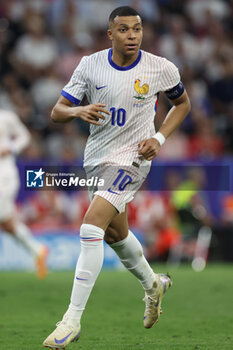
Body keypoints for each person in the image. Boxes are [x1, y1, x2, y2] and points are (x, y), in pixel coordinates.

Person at [43, 6, 191, 349]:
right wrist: (79, 109)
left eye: (137, 29)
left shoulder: (160, 67)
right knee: (115, 233)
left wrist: (159, 138)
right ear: (110, 34)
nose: (132, 36)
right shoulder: (90, 65)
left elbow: (182, 104)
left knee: (91, 226)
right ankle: (153, 283)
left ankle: (71, 320)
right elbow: (57, 112)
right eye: (124, 30)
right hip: (97, 160)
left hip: (134, 160)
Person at [0, 109, 48, 279]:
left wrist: (11, 147)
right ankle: (38, 250)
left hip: (4, 176)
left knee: (6, 221)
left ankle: (38, 250)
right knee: (7, 224)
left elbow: (24, 136)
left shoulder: (6, 116)